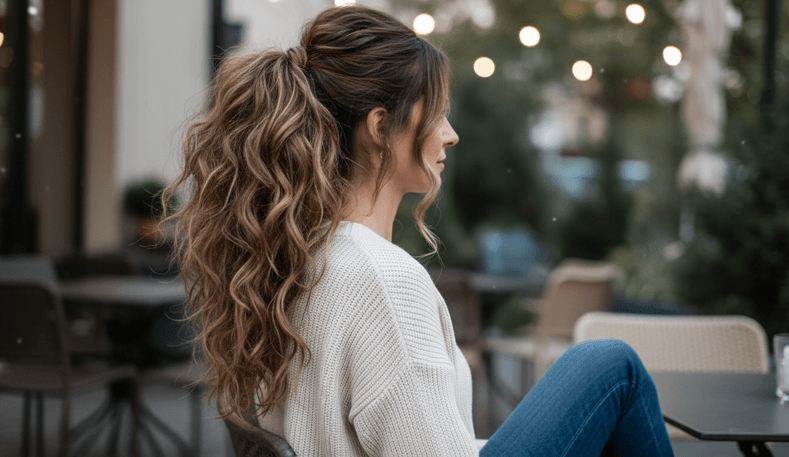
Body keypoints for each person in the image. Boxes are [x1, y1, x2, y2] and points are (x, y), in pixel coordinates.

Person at [163, 5, 675, 456]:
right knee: (612, 365)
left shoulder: (300, 254)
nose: (451, 134)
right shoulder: (384, 284)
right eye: (438, 112)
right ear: (381, 127)